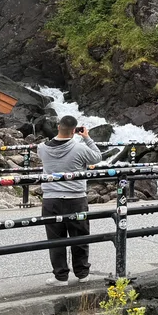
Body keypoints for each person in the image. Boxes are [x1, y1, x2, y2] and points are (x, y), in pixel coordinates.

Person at [37, 116, 102, 284]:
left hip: (51, 199)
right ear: (74, 130)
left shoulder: (41, 148)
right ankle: (82, 273)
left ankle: (61, 276)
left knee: (55, 239)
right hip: (76, 198)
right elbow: (97, 157)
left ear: (58, 127)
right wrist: (86, 137)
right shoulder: (80, 148)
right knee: (80, 236)